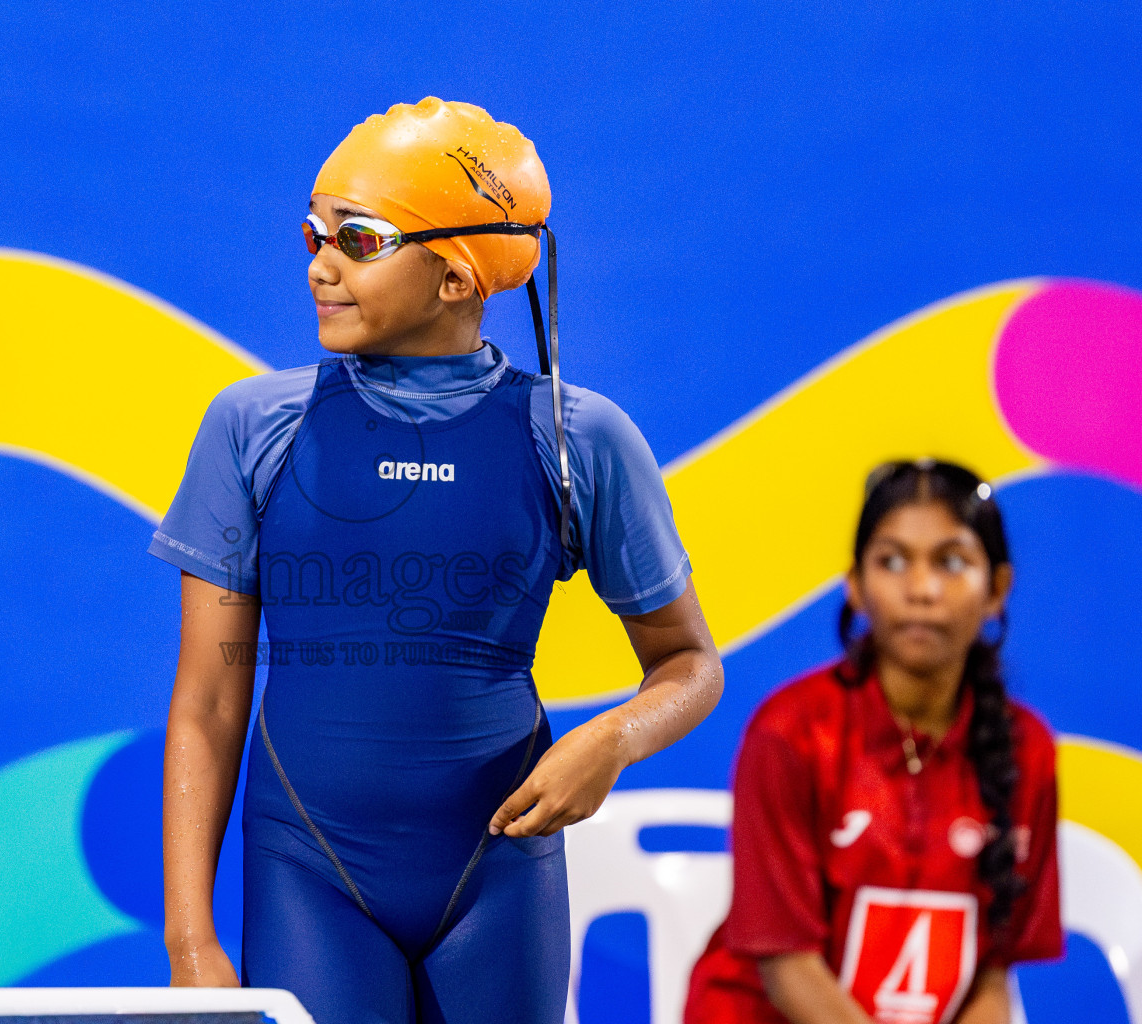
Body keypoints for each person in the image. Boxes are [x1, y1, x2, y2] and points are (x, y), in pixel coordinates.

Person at [151, 97, 724, 1024]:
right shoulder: (252, 427)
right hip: (309, 870)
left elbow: (690, 666)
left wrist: (610, 743)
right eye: (313, 235)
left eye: (359, 241)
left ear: (459, 278)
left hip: (497, 869)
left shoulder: (578, 440)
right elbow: (210, 699)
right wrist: (190, 943)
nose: (320, 267)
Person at [684, 460, 1062, 1024]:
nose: (922, 589)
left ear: (997, 589)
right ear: (855, 587)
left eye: (952, 561)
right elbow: (788, 967)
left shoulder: (1026, 747)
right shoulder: (790, 733)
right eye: (891, 561)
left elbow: (991, 974)